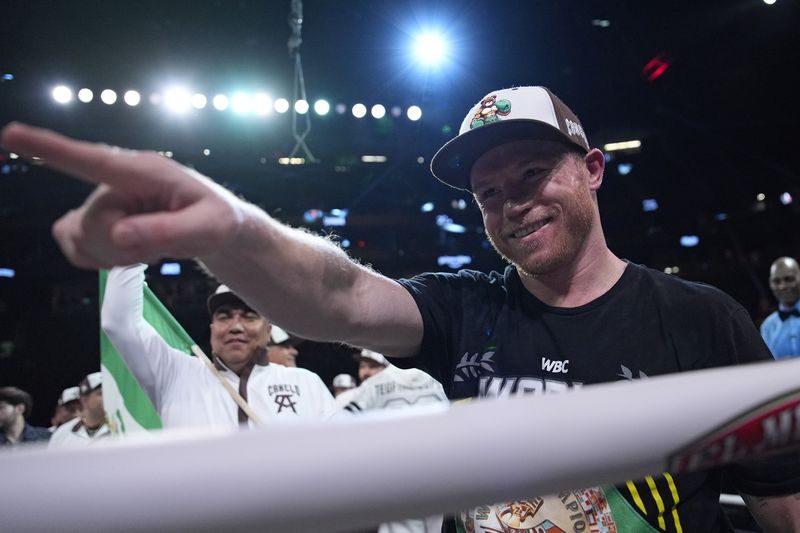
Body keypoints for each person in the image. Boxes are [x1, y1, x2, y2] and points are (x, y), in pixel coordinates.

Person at [3, 84, 800, 530]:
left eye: (531, 174)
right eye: (489, 193)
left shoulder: (702, 317)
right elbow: (337, 294)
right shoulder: (464, 310)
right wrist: (232, 226)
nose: (510, 203)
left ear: (592, 169)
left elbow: (780, 507)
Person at [100, 264, 335, 428]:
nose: (236, 326)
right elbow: (119, 322)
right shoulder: (174, 374)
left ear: (269, 330)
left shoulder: (306, 384)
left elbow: (338, 460)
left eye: (249, 316)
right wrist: (137, 246)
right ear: (212, 328)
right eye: (224, 316)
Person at [340, 350, 448, 533]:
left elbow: (343, 429)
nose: (365, 371)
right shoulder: (438, 377)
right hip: (441, 475)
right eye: (363, 365)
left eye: (371, 365)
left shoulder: (374, 385)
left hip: (397, 479)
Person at [49, 372, 111, 449]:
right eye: (101, 393)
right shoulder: (63, 433)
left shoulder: (122, 428)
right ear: (85, 400)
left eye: (110, 392)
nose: (108, 396)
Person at [760, 256, 800, 359]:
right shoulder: (767, 327)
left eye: (789, 279)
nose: (782, 286)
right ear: (770, 283)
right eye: (776, 281)